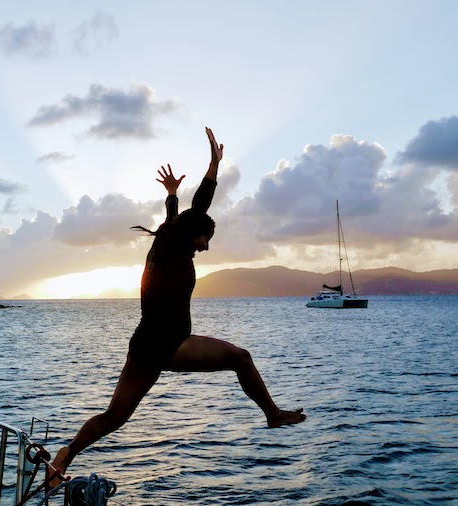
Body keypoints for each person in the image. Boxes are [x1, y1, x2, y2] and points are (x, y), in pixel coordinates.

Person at [51, 127, 305, 480]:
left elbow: (179, 215)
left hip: (144, 345)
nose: (206, 246)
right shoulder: (176, 245)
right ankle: (273, 414)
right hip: (168, 344)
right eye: (206, 238)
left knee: (115, 417)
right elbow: (200, 206)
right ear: (193, 233)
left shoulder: (168, 241)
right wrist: (214, 166)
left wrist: (171, 194)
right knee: (240, 358)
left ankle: (66, 455)